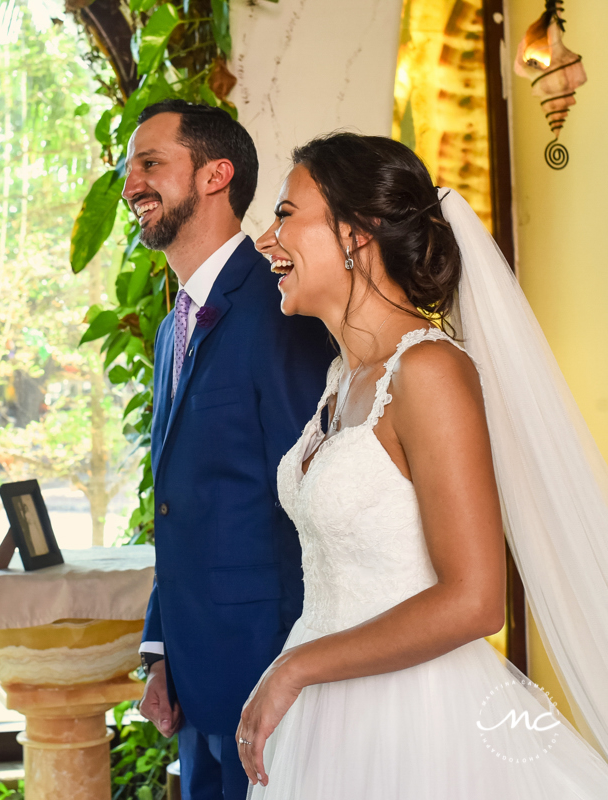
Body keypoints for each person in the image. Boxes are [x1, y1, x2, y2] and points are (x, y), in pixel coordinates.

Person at [241, 132, 608, 797]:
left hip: (417, 718)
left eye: (286, 215)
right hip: (327, 713)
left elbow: (474, 600)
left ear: (355, 234)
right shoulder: (340, 378)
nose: (266, 240)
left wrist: (295, 668)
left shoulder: (430, 370)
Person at [122, 100, 334, 800]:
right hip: (194, 680)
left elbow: (315, 505)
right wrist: (162, 655)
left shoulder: (282, 308)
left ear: (216, 175)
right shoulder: (170, 328)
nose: (130, 186)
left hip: (268, 678)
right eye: (129, 168)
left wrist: (293, 670)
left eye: (150, 163)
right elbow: (184, 507)